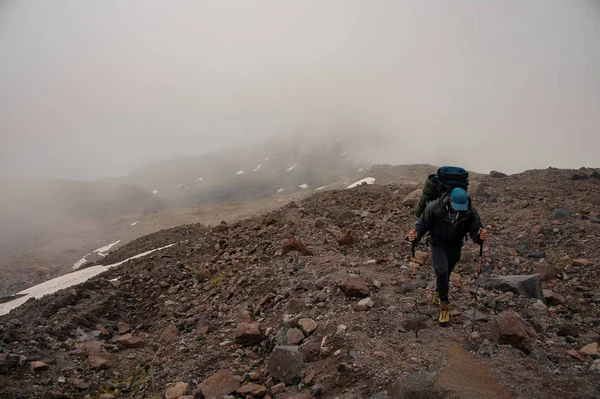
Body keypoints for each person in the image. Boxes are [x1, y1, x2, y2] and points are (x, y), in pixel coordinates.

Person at [407, 187, 488, 325]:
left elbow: (475, 229)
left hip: (456, 245)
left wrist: (480, 236)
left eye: (461, 207)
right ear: (449, 200)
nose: (458, 210)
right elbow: (422, 224)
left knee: (447, 271)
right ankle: (444, 305)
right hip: (438, 243)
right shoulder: (434, 207)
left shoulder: (469, 210)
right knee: (441, 270)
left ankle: (439, 292)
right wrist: (415, 236)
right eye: (456, 206)